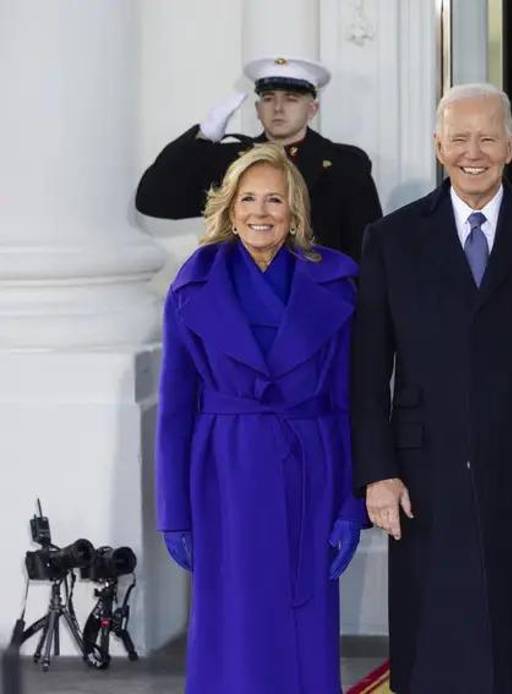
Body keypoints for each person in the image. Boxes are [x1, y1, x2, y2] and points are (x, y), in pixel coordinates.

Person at [350, 83, 512, 694]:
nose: (472, 152)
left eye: (486, 137)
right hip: (424, 472)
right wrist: (377, 471)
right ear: (437, 145)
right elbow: (367, 368)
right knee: (437, 641)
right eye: (458, 138)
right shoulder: (393, 238)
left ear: (511, 143)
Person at [156, 143, 365, 692]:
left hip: (309, 470)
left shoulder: (336, 283)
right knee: (232, 628)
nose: (260, 211)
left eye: (275, 199)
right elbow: (175, 408)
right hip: (223, 473)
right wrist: (173, 511)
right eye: (247, 198)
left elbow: (350, 405)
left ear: (294, 210)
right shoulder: (190, 285)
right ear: (228, 208)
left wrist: (350, 503)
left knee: (304, 626)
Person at [136, 55, 382, 260]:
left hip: (318, 300)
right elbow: (154, 199)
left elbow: (367, 250)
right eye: (268, 98)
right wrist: (204, 135)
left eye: (291, 99)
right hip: (245, 298)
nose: (277, 108)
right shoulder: (231, 162)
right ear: (257, 109)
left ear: (312, 109)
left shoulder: (344, 165)